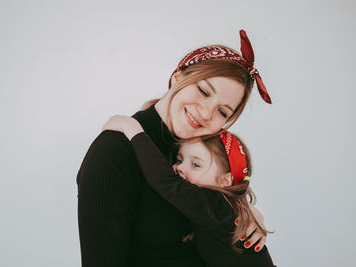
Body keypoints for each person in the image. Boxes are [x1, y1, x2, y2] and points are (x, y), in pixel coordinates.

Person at [77, 29, 272, 267]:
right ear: (178, 77)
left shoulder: (202, 153)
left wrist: (241, 210)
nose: (206, 113)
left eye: (222, 112)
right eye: (203, 91)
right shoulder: (115, 151)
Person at [101, 115, 276, 266]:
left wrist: (131, 129)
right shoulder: (216, 209)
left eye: (195, 164)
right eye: (179, 159)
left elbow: (164, 180)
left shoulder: (217, 206)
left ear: (224, 181)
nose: (180, 168)